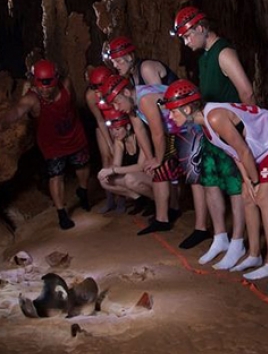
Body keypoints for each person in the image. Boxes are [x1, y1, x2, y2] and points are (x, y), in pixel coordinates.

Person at [162, 80, 268, 281]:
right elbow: (235, 152)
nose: (170, 116)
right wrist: (247, 179)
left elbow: (243, 150)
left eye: (173, 111)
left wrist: (256, 182)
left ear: (187, 108)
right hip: (254, 148)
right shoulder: (205, 125)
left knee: (263, 198)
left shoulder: (214, 118)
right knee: (247, 196)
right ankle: (254, 255)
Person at [171, 6, 252, 266]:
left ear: (201, 28)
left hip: (228, 130)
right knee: (209, 181)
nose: (186, 42)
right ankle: (220, 237)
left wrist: (247, 127)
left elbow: (246, 92)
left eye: (187, 36)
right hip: (210, 129)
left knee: (234, 186)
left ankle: (238, 241)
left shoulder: (224, 52)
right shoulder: (204, 55)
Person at [0, 59, 91, 230]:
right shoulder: (32, 98)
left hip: (74, 134)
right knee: (56, 175)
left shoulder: (66, 85)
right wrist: (2, 121)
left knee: (82, 165)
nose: (44, 90)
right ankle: (61, 213)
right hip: (52, 143)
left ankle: (82, 190)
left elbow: (72, 104)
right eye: (41, 87)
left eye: (48, 86)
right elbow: (17, 110)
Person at [105, 74, 198, 235]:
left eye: (117, 102)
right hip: (174, 132)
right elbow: (140, 130)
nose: (117, 108)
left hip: (189, 130)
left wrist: (158, 159)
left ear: (127, 93)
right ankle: (164, 216)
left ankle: (169, 216)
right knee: (160, 171)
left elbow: (158, 133)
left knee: (166, 168)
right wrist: (150, 159)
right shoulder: (133, 105)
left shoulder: (144, 100)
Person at [96, 107, 153, 212]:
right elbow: (116, 165)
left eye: (117, 129)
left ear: (127, 126)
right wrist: (107, 172)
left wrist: (113, 170)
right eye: (112, 130)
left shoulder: (140, 137)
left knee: (130, 179)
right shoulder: (119, 141)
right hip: (138, 176)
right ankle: (138, 198)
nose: (114, 133)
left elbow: (141, 166)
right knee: (104, 181)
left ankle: (155, 201)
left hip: (151, 174)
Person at [84, 64, 120, 213]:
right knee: (106, 159)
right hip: (105, 124)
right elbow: (99, 120)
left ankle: (123, 199)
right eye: (95, 88)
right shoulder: (91, 96)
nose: (98, 92)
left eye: (100, 87)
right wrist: (110, 144)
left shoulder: (116, 88)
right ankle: (110, 199)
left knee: (118, 160)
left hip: (120, 123)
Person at [102, 35, 178, 87]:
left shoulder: (147, 68)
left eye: (118, 61)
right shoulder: (132, 76)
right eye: (113, 62)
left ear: (130, 57)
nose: (115, 65)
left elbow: (158, 99)